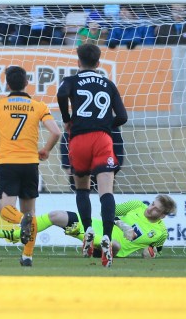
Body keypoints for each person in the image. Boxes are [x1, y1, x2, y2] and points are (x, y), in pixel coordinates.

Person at [57, 44, 128, 267]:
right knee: (106, 190)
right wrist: (106, 123)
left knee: (82, 187)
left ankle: (88, 229)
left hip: (79, 139)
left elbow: (61, 94)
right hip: (102, 139)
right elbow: (123, 117)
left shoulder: (70, 81)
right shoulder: (108, 84)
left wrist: (67, 117)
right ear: (98, 63)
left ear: (78, 62)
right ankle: (106, 235)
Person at [0, 66, 61, 266]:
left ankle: (21, 221)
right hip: (30, 164)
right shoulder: (38, 106)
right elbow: (56, 132)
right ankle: (27, 256)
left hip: (7, 163)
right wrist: (46, 149)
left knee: (6, 211)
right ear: (27, 83)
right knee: (30, 213)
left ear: (7, 84)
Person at [0, 195, 177, 260]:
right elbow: (109, 211)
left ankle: (81, 235)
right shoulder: (136, 205)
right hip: (99, 227)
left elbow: (154, 251)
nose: (150, 208)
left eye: (155, 209)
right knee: (55, 215)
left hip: (114, 249)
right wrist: (123, 225)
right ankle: (18, 234)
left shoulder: (161, 233)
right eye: (152, 203)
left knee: (114, 245)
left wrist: (149, 253)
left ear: (162, 215)